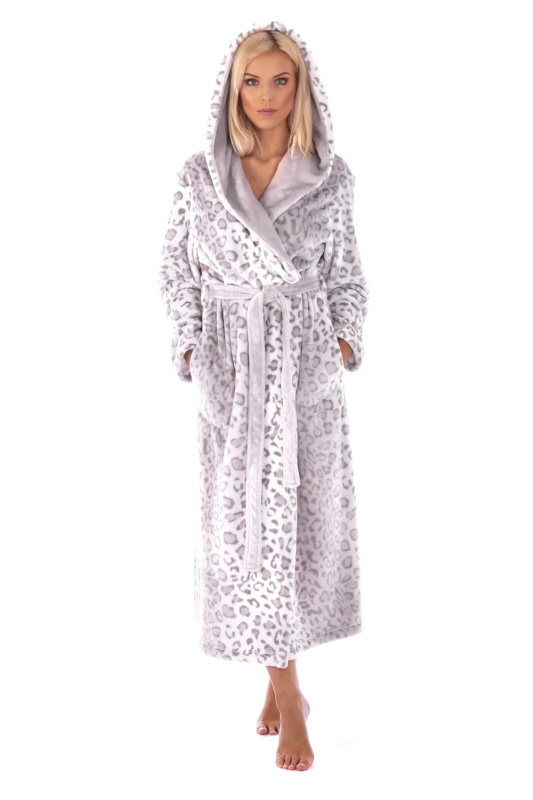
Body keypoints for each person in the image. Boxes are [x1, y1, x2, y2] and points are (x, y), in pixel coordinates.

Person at [159, 20, 370, 771]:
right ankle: (286, 692)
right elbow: (175, 270)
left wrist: (342, 342)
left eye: (281, 80)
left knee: (294, 530)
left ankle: (286, 693)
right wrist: (191, 346)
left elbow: (347, 274)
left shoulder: (330, 177)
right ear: (233, 87)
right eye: (252, 80)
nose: (266, 95)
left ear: (300, 87)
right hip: (232, 371)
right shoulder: (200, 176)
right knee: (244, 532)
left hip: (303, 371)